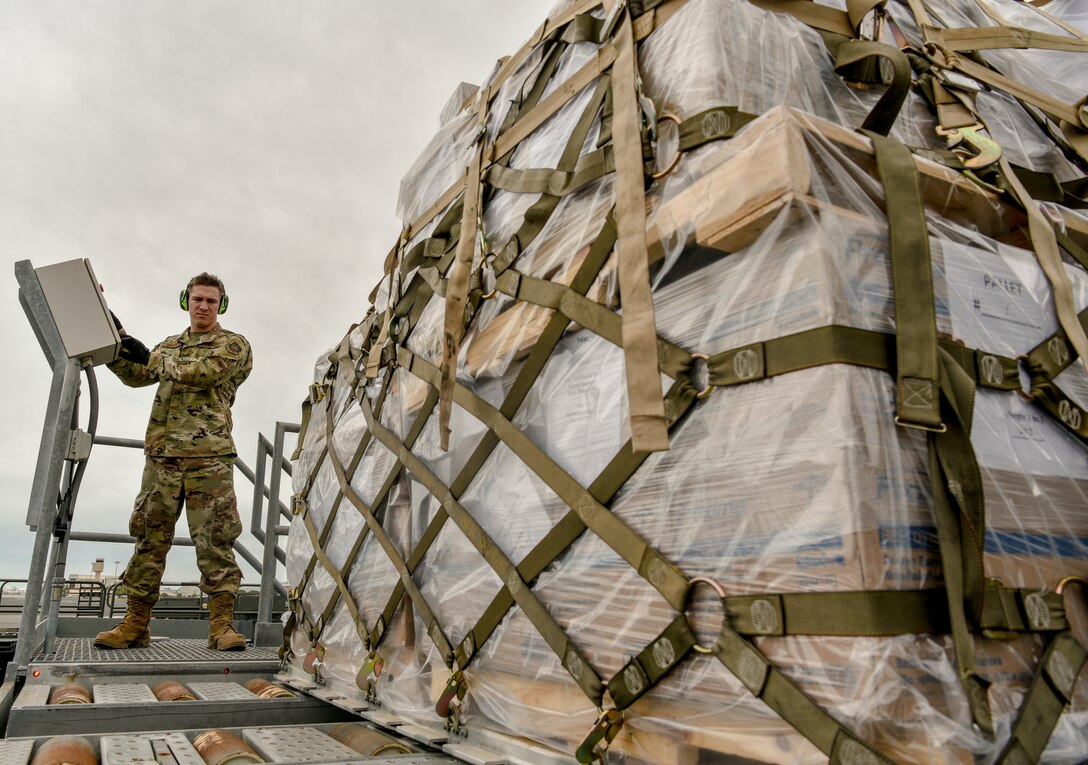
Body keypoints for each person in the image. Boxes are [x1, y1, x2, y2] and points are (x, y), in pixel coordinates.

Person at [94, 273, 253, 651]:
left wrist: (150, 356)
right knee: (149, 539)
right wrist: (110, 337)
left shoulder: (232, 346)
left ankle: (221, 627)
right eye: (197, 299)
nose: (203, 306)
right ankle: (135, 624)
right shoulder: (169, 346)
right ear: (186, 301)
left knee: (215, 541)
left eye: (211, 301)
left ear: (221, 305)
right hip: (162, 458)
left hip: (209, 460)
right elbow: (137, 375)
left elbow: (204, 373)